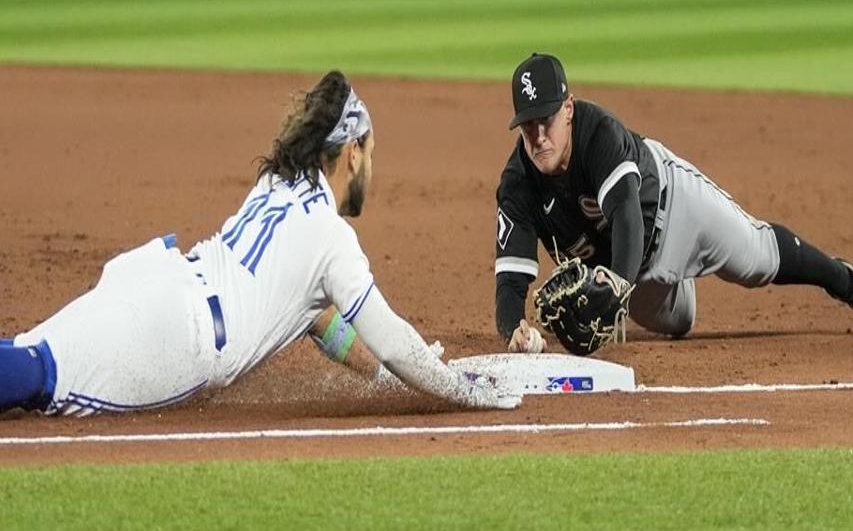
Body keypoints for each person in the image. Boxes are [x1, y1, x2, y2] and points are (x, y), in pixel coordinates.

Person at [0, 71, 519, 415]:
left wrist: (382, 378)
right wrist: (462, 389)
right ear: (353, 154)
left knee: (30, 351)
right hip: (180, 338)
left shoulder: (278, 184)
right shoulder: (332, 238)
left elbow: (318, 320)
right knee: (40, 376)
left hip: (155, 279)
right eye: (371, 151)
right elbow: (391, 338)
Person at [494, 53, 853, 354]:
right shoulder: (518, 184)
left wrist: (617, 283)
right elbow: (510, 280)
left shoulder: (599, 134)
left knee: (757, 259)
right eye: (528, 125)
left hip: (677, 208)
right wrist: (515, 329)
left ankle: (842, 278)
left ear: (568, 109)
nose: (539, 137)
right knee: (680, 323)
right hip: (635, 270)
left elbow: (627, 216)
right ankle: (666, 284)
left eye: (547, 120)